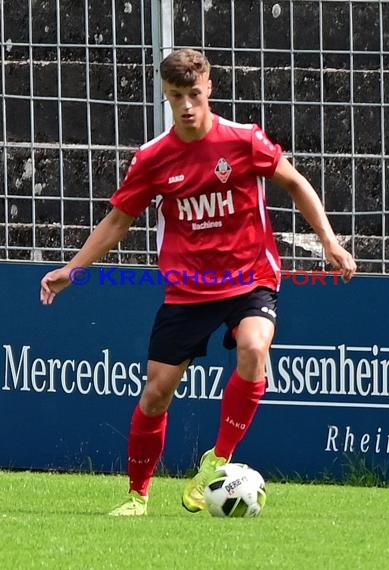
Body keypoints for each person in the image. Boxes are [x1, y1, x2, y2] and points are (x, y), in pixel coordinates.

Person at [40, 49, 357, 516]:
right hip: (189, 289)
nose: (186, 104)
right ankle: (137, 496)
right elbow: (118, 221)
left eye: (193, 93)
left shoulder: (244, 141)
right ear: (165, 97)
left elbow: (295, 183)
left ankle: (219, 457)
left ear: (208, 89)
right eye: (176, 96)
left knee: (254, 347)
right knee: (156, 391)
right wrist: (74, 267)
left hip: (251, 276)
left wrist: (329, 242)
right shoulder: (153, 158)